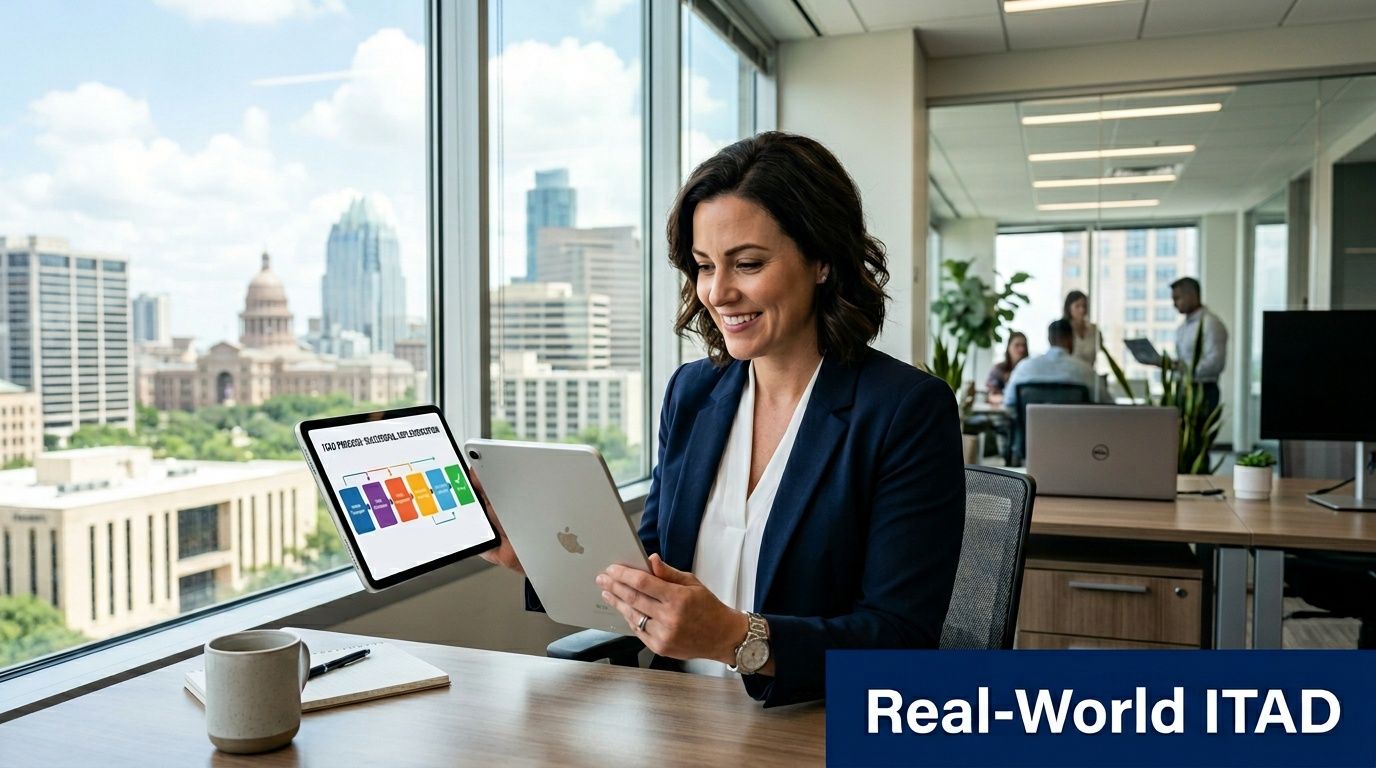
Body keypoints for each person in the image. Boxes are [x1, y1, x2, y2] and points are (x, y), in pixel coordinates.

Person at [480, 132, 965, 707]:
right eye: (704, 266)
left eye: (749, 264)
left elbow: (902, 639)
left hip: (811, 725)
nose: (718, 292)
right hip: (675, 718)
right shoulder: (693, 392)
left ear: (822, 260)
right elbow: (653, 565)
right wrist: (537, 558)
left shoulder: (904, 410)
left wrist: (741, 641)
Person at [1002, 319, 1102, 413]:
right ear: (1071, 339)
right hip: (1074, 430)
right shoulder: (1085, 371)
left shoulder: (1024, 368)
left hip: (1032, 431)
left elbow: (1008, 401)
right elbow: (1106, 402)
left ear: (1049, 339)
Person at [1170, 276, 1228, 415]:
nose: (1174, 304)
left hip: (1203, 391)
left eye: (1177, 298)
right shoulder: (1183, 328)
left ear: (1192, 296)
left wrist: (1186, 369)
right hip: (1184, 389)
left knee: (1198, 435)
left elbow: (1216, 363)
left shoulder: (1211, 324)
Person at [985, 331, 1027, 404]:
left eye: (1024, 345)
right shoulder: (998, 369)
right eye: (1017, 345)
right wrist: (1011, 399)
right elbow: (992, 396)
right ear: (1008, 347)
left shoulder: (1029, 370)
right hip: (1004, 411)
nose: (1022, 349)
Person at [1062, 290, 1099, 367]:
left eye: (1084, 306)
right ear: (1069, 308)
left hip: (1089, 374)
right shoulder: (1064, 329)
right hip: (1068, 375)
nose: (1082, 310)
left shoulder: (1094, 329)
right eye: (1077, 306)